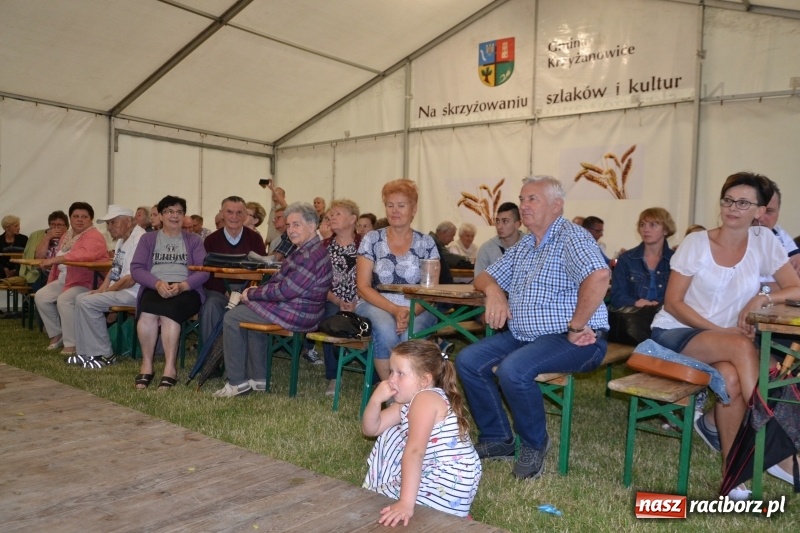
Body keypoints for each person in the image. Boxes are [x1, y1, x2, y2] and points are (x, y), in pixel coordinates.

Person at [650, 172, 800, 498]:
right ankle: (781, 448)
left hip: (729, 344)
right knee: (741, 346)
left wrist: (765, 297)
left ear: (760, 211)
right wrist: (723, 330)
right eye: (728, 200)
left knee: (730, 377)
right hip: (675, 332)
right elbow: (673, 303)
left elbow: (796, 287)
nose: (733, 208)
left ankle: (732, 473)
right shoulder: (697, 243)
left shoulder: (764, 241)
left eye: (743, 202)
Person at [456, 176, 610, 480]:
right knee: (468, 360)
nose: (524, 205)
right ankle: (498, 438)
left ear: (557, 205)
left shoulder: (572, 237)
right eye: (523, 199)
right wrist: (496, 292)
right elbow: (483, 277)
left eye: (532, 199)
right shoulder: (527, 244)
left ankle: (533, 443)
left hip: (574, 338)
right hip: (525, 335)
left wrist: (577, 325)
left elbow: (600, 276)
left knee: (513, 370)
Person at [214, 202, 332, 398]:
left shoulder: (309, 254)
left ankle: (236, 382)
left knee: (232, 317)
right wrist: (256, 294)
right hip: (302, 309)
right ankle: (258, 378)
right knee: (252, 312)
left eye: (296, 224)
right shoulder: (309, 249)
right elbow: (284, 286)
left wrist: (252, 293)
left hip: (298, 312)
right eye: (288, 225)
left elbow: (286, 290)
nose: (291, 230)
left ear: (312, 227)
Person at [362, 340, 481, 525]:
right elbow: (371, 429)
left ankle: (434, 508)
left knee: (378, 505)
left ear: (424, 380)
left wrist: (405, 503)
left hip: (444, 481)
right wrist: (376, 400)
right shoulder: (409, 401)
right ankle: (449, 511)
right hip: (450, 481)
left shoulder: (425, 399)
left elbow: (415, 452)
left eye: (400, 373)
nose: (392, 379)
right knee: (389, 432)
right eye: (391, 371)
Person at [356, 179, 440, 381]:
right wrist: (395, 310)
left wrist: (409, 313)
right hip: (376, 302)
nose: (394, 211)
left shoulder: (427, 243)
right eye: (389, 205)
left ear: (414, 209)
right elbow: (363, 287)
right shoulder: (371, 239)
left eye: (401, 205)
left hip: (419, 305)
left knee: (408, 336)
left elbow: (432, 292)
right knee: (385, 329)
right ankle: (393, 393)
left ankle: (411, 392)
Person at [130, 195, 209, 390]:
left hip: (186, 289)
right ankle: (147, 365)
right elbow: (137, 268)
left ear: (184, 216)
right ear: (161, 216)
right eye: (169, 212)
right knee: (146, 315)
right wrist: (156, 283)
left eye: (179, 212)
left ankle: (170, 368)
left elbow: (205, 270)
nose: (175, 216)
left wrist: (183, 285)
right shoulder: (148, 239)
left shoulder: (194, 240)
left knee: (169, 314)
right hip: (155, 286)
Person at [71, 206, 145, 368]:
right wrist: (100, 290)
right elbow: (114, 269)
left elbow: (130, 279)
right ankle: (84, 353)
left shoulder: (140, 239)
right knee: (80, 298)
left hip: (135, 293)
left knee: (88, 302)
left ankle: (104, 354)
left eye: (113, 222)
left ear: (128, 221)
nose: (109, 227)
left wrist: (105, 292)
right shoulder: (121, 240)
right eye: (108, 223)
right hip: (122, 290)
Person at [34, 202, 109, 354]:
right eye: (75, 216)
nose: (79, 220)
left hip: (88, 282)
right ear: (70, 219)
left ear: (91, 219)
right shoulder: (67, 236)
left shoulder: (94, 236)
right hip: (66, 279)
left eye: (84, 217)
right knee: (41, 296)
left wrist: (56, 260)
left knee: (65, 299)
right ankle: (57, 334)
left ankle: (73, 344)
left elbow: (85, 254)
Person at [200, 196, 267, 346]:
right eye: (229, 212)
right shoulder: (211, 240)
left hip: (246, 293)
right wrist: (226, 291)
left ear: (245, 216)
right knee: (210, 307)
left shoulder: (255, 239)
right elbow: (207, 273)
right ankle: (210, 360)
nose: (234, 217)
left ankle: (241, 356)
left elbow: (262, 271)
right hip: (219, 292)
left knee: (252, 310)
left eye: (239, 213)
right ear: (222, 214)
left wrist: (246, 293)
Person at [608, 208, 675, 343]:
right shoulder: (627, 259)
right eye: (642, 224)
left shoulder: (675, 260)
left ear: (666, 230)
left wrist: (659, 305)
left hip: (666, 320)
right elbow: (616, 295)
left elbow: (679, 296)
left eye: (653, 225)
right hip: (633, 323)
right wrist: (637, 302)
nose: (646, 229)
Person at [316, 199, 362, 392]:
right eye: (330, 214)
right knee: (330, 315)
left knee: (373, 315)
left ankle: (376, 375)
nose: (332, 217)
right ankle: (334, 376)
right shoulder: (323, 246)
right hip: (332, 298)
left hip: (363, 299)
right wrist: (335, 299)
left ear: (352, 219)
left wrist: (358, 303)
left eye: (337, 214)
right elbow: (317, 283)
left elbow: (374, 280)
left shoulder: (366, 244)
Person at [757, 179, 800, 275]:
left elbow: (797, 265)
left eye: (768, 211)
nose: (760, 217)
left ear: (778, 212)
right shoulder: (735, 240)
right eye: (757, 209)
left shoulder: (780, 233)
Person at [474, 202, 522, 276]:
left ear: (517, 224)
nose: (499, 226)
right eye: (497, 221)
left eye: (505, 221)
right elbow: (478, 280)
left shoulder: (531, 245)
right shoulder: (486, 249)